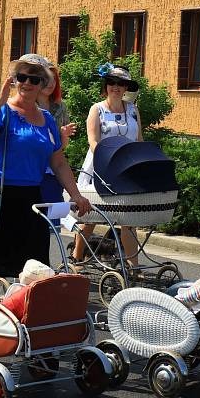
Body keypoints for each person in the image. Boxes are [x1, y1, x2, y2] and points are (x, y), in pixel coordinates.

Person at [0, 55, 90, 294]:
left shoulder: (47, 119)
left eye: (35, 79)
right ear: (14, 80)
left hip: (30, 197)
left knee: (34, 265)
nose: (27, 83)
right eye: (22, 77)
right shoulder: (4, 111)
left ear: (42, 85)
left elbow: (58, 161)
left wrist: (76, 194)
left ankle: (25, 318)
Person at [71, 64, 143, 269]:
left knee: (128, 219)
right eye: (112, 82)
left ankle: (133, 265)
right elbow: (93, 141)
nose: (116, 87)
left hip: (127, 169)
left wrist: (139, 163)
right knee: (92, 214)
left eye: (121, 83)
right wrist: (109, 161)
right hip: (101, 167)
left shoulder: (133, 110)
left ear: (126, 87)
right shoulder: (97, 109)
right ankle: (77, 259)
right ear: (106, 85)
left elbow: (139, 140)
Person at [31, 54, 76, 228]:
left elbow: (60, 152)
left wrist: (63, 138)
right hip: (30, 171)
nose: (51, 84)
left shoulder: (60, 107)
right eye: (46, 79)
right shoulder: (25, 106)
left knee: (49, 225)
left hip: (51, 171)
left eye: (54, 80)